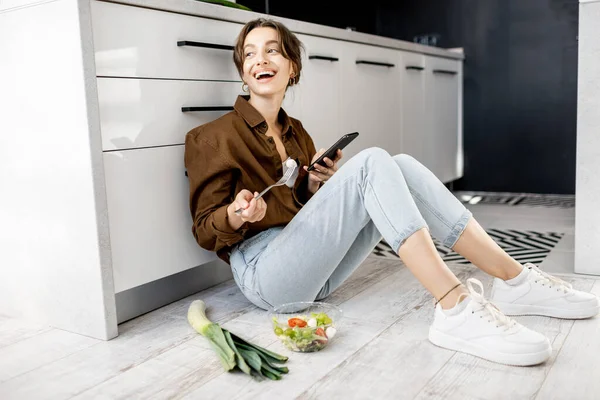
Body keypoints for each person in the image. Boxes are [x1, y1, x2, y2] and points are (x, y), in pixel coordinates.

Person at [184, 18, 599, 367]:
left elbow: (299, 215)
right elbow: (204, 229)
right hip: (262, 276)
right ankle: (454, 306)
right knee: (372, 162)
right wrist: (236, 214)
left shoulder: (297, 134)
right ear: (242, 71)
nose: (261, 59)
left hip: (311, 275)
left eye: (273, 50)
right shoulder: (211, 136)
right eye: (250, 53)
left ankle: (516, 280)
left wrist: (311, 187)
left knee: (398, 164)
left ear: (292, 67)